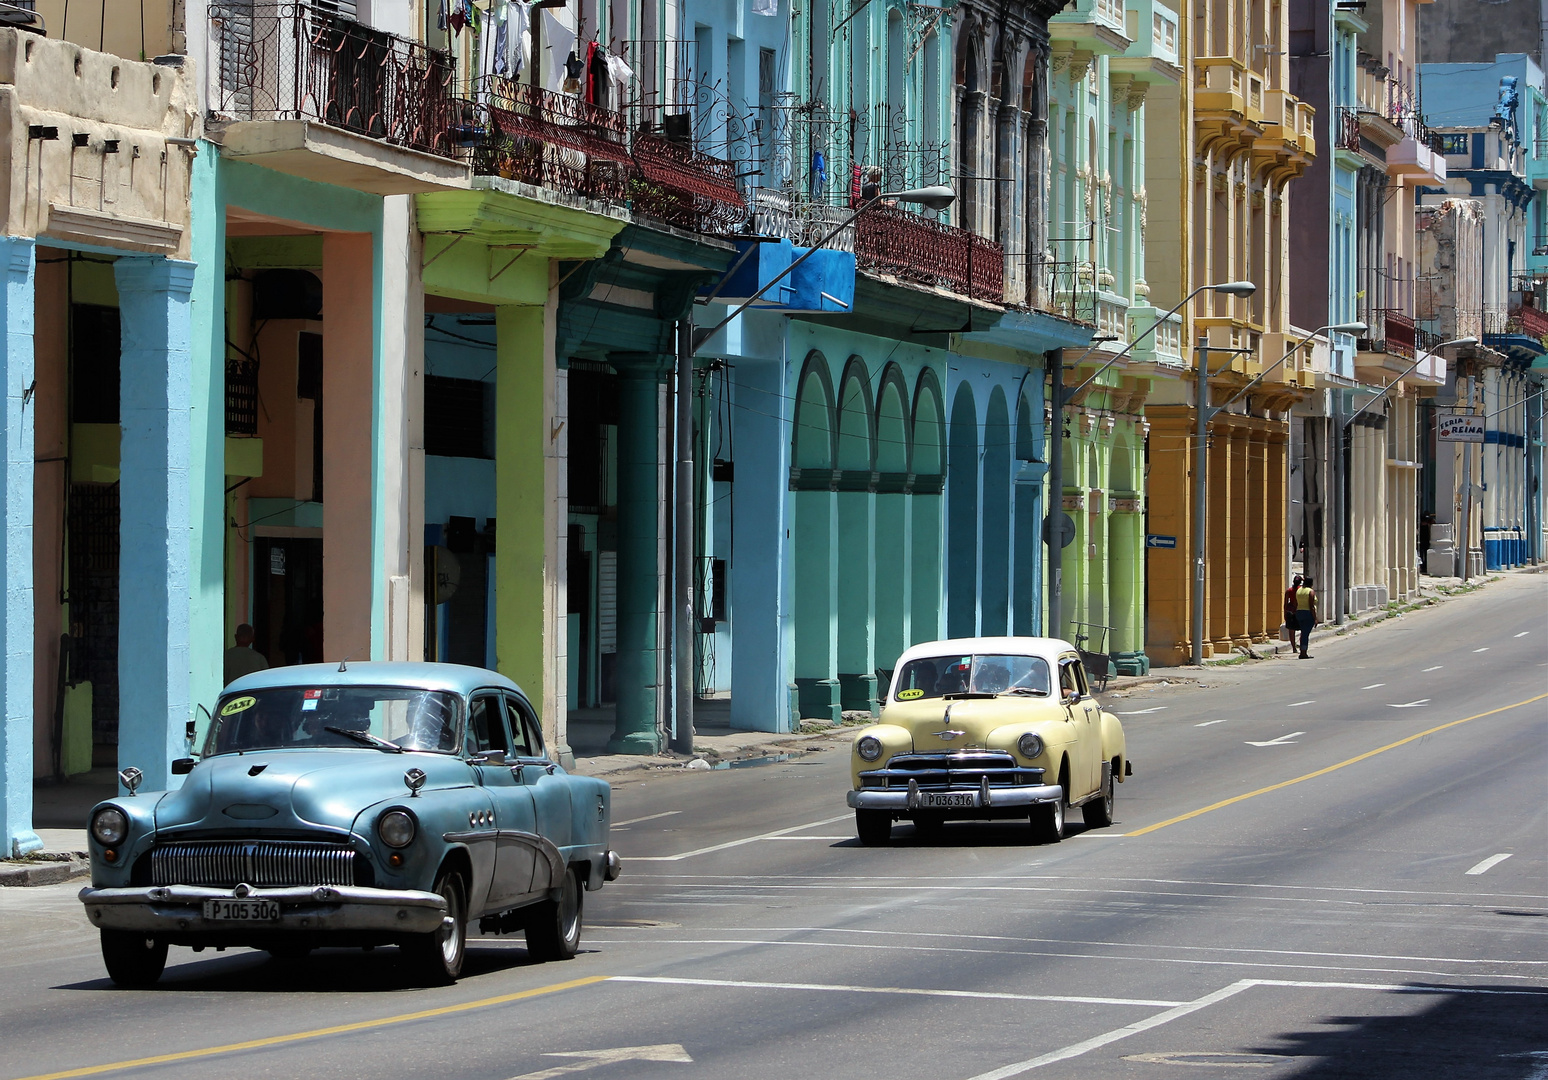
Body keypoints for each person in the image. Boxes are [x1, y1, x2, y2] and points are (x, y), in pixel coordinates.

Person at [1293, 577, 1319, 659]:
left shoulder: (1299, 590)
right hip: (1308, 613)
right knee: (1305, 634)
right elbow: (1311, 606)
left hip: (1299, 612)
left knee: (1303, 633)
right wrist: (1315, 618)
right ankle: (1303, 652)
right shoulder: (1310, 591)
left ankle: (1302, 651)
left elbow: (1295, 603)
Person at [1283, 574, 1303, 640]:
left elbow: (1285, 603)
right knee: (1303, 629)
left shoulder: (1289, 591)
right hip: (1299, 610)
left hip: (1291, 610)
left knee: (1291, 630)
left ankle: (1294, 647)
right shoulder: (1301, 590)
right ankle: (1301, 643)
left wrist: (1285, 613)